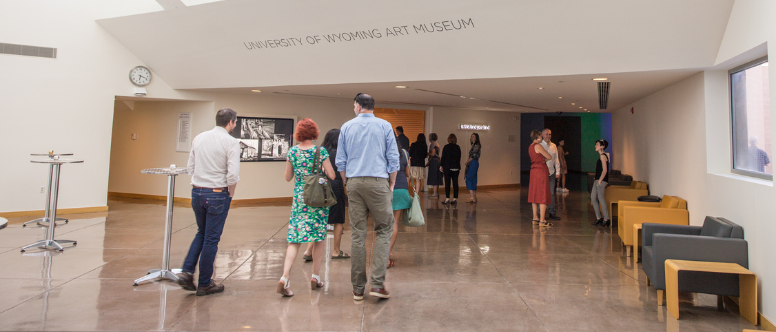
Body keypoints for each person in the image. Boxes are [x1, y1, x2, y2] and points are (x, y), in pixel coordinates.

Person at [336, 93, 399, 300]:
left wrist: (347, 182)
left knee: (357, 234)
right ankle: (378, 285)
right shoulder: (384, 126)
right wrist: (391, 182)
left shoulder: (346, 127)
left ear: (358, 106)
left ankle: (357, 289)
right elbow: (393, 157)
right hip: (379, 182)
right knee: (383, 230)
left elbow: (341, 161)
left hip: (354, 182)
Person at [177, 108, 240, 296]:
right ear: (231, 122)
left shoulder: (199, 138)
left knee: (201, 233)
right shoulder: (231, 142)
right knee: (211, 239)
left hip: (197, 192)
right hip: (218, 193)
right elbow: (233, 174)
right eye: (235, 123)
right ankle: (204, 283)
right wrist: (230, 194)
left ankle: (187, 272)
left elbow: (190, 167)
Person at [276, 119, 337, 297]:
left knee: (294, 239)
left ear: (298, 133)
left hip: (300, 201)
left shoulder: (293, 151)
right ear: (315, 133)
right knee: (318, 238)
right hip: (317, 201)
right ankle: (315, 277)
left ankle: (285, 277)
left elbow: (288, 177)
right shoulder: (320, 151)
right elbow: (332, 175)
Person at [301, 129, 350, 262]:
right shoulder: (341, 154)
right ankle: (336, 251)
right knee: (338, 220)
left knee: (318, 219)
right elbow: (342, 172)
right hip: (336, 188)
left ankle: (308, 250)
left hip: (320, 188)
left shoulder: (319, 152)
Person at [389, 140, 412, 269]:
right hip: (401, 189)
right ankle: (387, 253)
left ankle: (383, 255)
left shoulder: (383, 151)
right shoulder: (404, 153)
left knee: (383, 224)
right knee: (395, 223)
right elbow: (408, 173)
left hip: (387, 190)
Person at [528, 130, 553, 227]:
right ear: (538, 136)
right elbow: (549, 156)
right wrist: (544, 159)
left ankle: (535, 218)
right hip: (540, 171)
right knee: (542, 194)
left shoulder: (530, 147)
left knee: (534, 194)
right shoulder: (538, 146)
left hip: (534, 170)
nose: (542, 137)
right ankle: (542, 220)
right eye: (541, 136)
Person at [540, 129, 561, 220]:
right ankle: (540, 213)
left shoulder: (554, 146)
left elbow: (556, 159)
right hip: (542, 173)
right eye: (547, 134)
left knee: (551, 193)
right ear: (542, 135)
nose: (548, 136)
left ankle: (552, 212)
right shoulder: (539, 145)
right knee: (541, 193)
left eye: (550, 134)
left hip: (551, 173)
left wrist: (558, 172)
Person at [590, 139, 611, 227]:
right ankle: (599, 217)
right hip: (597, 180)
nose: (596, 146)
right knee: (593, 197)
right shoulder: (601, 156)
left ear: (602, 147)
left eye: (597, 144)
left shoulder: (603, 156)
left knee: (601, 199)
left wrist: (600, 180)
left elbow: (605, 170)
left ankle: (606, 219)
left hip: (601, 181)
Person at [440, 134, 462, 205]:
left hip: (447, 167)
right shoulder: (458, 147)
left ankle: (447, 198)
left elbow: (443, 157)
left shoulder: (446, 147)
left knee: (447, 183)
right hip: (456, 167)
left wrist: (441, 166)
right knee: (455, 183)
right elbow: (459, 157)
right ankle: (455, 198)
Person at [465, 133, 481, 203]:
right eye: (471, 136)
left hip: (473, 162)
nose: (471, 137)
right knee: (473, 178)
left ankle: (472, 196)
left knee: (468, 178)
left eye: (473, 136)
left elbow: (473, 155)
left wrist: (467, 161)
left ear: (476, 138)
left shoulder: (477, 145)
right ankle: (474, 196)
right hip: (473, 163)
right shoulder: (473, 145)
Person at [426, 133, 443, 197]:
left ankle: (434, 193)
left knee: (434, 177)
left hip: (434, 162)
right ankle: (436, 192)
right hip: (438, 161)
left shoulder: (432, 144)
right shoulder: (437, 144)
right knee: (437, 177)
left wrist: (428, 153)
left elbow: (433, 154)